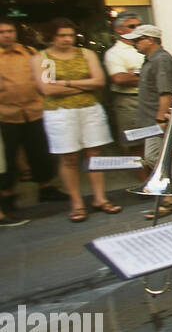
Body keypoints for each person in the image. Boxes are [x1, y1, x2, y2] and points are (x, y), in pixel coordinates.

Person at [31, 18, 118, 222]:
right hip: (59, 112)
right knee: (68, 157)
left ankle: (100, 197)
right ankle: (77, 203)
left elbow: (98, 81)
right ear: (51, 36)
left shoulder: (86, 54)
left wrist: (67, 82)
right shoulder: (41, 58)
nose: (67, 39)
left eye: (70, 35)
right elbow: (47, 89)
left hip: (89, 109)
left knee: (94, 154)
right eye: (62, 35)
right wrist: (83, 84)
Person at [1, 17, 62, 219]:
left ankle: (46, 188)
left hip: (35, 110)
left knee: (40, 153)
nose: (7, 35)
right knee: (7, 159)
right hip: (6, 115)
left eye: (9, 31)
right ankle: (7, 195)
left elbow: (48, 76)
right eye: (2, 32)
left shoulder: (30, 52)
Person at [124, 24, 172, 218]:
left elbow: (165, 92)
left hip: (157, 119)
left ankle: (170, 197)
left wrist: (160, 119)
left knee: (156, 157)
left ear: (151, 40)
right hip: (151, 119)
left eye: (138, 39)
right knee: (158, 157)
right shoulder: (151, 60)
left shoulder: (160, 60)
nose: (134, 43)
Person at [103, 12, 147, 179]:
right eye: (132, 26)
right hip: (130, 101)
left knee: (158, 140)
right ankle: (144, 182)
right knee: (135, 144)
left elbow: (162, 73)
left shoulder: (146, 46)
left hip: (152, 98)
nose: (137, 29)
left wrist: (135, 73)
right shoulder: (114, 53)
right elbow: (119, 78)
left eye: (138, 25)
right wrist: (147, 74)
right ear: (119, 30)